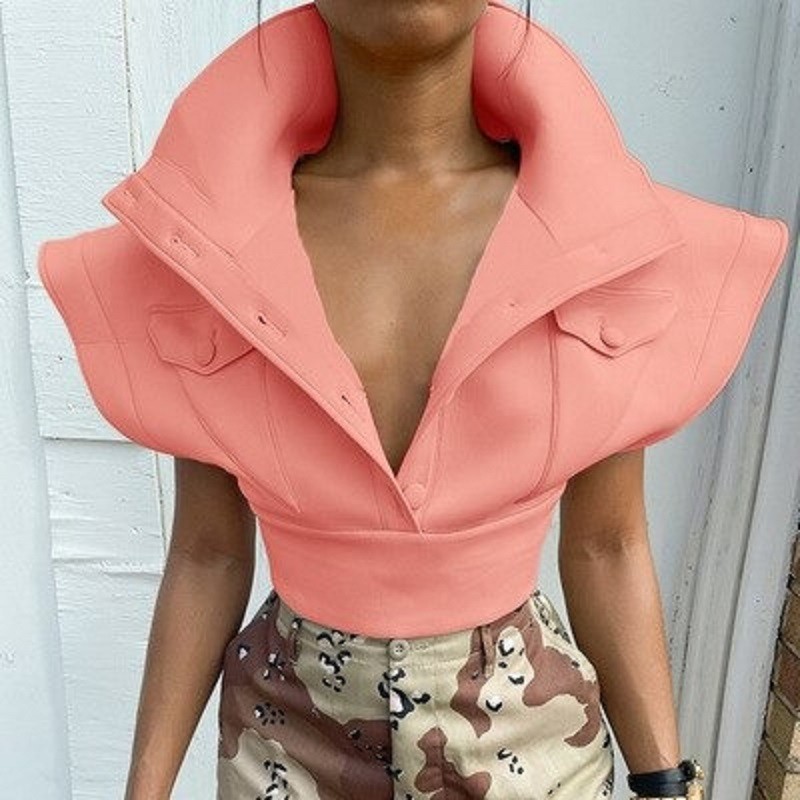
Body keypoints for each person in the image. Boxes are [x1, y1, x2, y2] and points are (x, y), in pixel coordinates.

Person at [38, 1, 790, 798]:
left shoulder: (596, 234)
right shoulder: (211, 241)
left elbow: (607, 543)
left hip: (536, 752)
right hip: (282, 750)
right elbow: (208, 551)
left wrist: (665, 784)